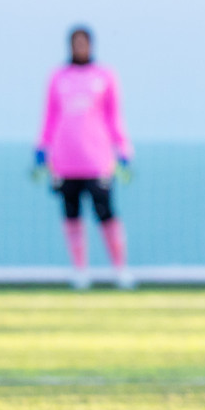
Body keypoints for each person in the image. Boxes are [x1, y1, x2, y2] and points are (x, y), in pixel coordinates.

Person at [34, 26, 133, 291]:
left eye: (84, 42)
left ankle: (120, 269)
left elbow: (114, 116)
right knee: (71, 215)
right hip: (65, 160)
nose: (80, 47)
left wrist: (123, 150)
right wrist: (42, 148)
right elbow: (50, 116)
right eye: (75, 42)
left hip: (97, 159)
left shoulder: (105, 76)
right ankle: (80, 271)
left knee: (106, 214)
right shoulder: (58, 77)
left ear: (91, 45)